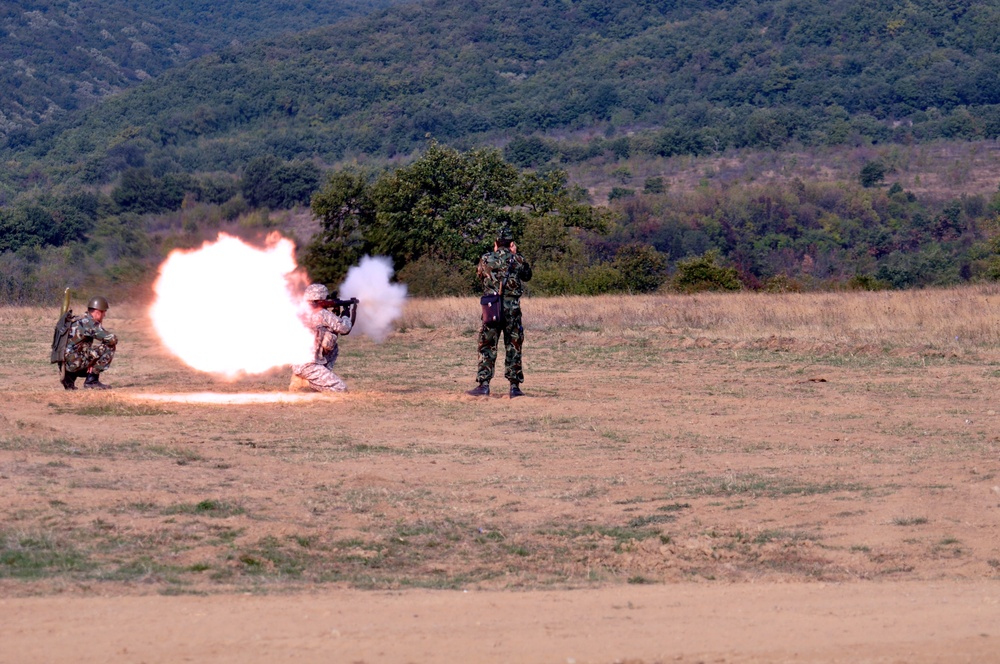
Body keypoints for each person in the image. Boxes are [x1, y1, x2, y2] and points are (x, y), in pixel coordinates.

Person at [467, 227, 532, 398]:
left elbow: (480, 276)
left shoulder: (486, 258)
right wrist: (516, 254)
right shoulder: (518, 259)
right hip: (512, 309)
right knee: (514, 345)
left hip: (492, 308)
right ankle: (514, 387)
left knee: (487, 345)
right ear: (511, 244)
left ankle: (484, 385)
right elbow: (527, 275)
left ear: (496, 244)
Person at [290, 283, 352, 393]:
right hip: (309, 365)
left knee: (332, 345)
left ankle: (303, 378)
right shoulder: (322, 314)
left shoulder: (298, 312)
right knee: (340, 389)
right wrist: (346, 314)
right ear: (321, 298)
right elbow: (345, 328)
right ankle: (307, 383)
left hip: (299, 363)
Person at [62, 296, 117, 390]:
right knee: (109, 347)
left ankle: (69, 380)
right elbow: (111, 339)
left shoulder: (77, 319)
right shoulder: (89, 322)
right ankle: (92, 381)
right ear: (97, 311)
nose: (104, 315)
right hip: (75, 363)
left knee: (81, 350)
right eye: (104, 312)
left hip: (64, 362)